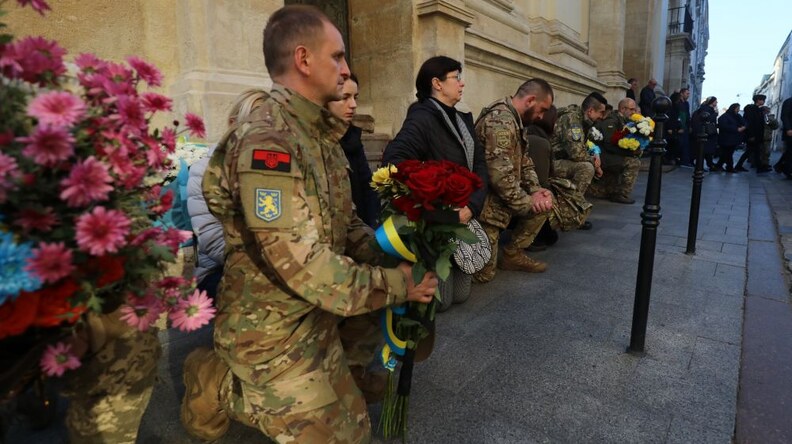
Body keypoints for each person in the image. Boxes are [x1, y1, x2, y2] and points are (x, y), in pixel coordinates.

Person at [181, 6, 438, 443]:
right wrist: (397, 284)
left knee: (354, 423)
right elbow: (301, 265)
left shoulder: (320, 136)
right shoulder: (269, 142)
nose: (345, 69)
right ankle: (216, 381)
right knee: (342, 436)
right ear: (303, 59)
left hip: (317, 308)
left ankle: (340, 372)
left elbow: (347, 224)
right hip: (271, 328)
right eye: (337, 56)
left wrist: (397, 254)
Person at [382, 55, 489, 311]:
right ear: (437, 83)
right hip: (439, 220)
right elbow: (394, 162)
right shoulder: (422, 118)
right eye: (456, 77)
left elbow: (480, 166)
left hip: (465, 212)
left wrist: (472, 206)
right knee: (441, 301)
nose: (462, 83)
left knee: (461, 295)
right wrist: (433, 194)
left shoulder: (462, 119)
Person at [471, 79, 555, 283]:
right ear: (530, 100)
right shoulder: (500, 121)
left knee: (545, 202)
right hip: (486, 205)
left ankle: (512, 254)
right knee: (483, 275)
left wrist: (537, 191)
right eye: (542, 110)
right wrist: (528, 202)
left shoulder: (516, 120)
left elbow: (525, 162)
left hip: (505, 197)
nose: (541, 116)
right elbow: (499, 177)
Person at [187, 89, 267, 298]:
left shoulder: (272, 168)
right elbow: (212, 240)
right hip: (220, 269)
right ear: (233, 124)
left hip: (274, 263)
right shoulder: (204, 169)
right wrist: (269, 263)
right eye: (255, 121)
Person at [327, 73, 380, 227]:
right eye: (345, 97)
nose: (353, 105)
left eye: (355, 97)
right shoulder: (318, 138)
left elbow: (367, 186)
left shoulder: (352, 137)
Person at [550, 91, 608, 229]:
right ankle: (571, 214)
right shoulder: (572, 120)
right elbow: (576, 153)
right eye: (601, 112)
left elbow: (579, 148)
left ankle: (572, 211)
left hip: (561, 160)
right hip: (551, 162)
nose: (602, 117)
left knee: (588, 165)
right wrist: (595, 164)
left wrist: (593, 157)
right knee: (586, 168)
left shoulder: (581, 119)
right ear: (590, 111)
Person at [589, 98, 642, 204]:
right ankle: (621, 194)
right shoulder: (611, 121)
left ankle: (612, 189)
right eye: (631, 109)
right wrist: (630, 153)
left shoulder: (623, 120)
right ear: (623, 109)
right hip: (602, 155)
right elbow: (609, 144)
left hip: (610, 154)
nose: (634, 112)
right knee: (633, 162)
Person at [736, 94, 768, 172]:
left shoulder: (758, 110)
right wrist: (751, 135)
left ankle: (759, 167)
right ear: (758, 100)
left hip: (757, 135)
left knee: (754, 151)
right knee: (751, 151)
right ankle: (758, 168)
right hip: (753, 135)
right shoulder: (751, 109)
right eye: (763, 100)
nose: (764, 101)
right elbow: (750, 123)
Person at [691, 96, 720, 171]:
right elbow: (708, 119)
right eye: (715, 101)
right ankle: (701, 166)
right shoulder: (706, 110)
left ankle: (709, 165)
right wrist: (715, 114)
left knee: (706, 151)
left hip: (707, 133)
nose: (716, 103)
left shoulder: (706, 109)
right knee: (704, 150)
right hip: (706, 133)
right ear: (712, 102)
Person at [716, 103, 746, 172]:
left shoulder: (737, 116)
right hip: (726, 138)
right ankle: (729, 167)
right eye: (737, 108)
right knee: (727, 154)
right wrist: (736, 129)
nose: (738, 110)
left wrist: (743, 127)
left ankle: (720, 166)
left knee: (727, 154)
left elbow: (744, 122)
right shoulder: (725, 116)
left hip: (734, 138)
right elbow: (724, 126)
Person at [677, 88, 694, 167]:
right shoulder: (677, 103)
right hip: (679, 127)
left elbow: (687, 115)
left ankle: (685, 160)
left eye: (689, 93)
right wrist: (679, 127)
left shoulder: (686, 103)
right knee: (679, 144)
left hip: (685, 127)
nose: (688, 95)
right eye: (687, 93)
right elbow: (677, 115)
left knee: (686, 144)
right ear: (681, 93)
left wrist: (689, 126)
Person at [777, 96, 792, 177]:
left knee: (789, 152)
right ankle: (788, 171)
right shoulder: (789, 101)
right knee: (790, 152)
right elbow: (784, 116)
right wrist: (788, 128)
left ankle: (780, 166)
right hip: (790, 131)